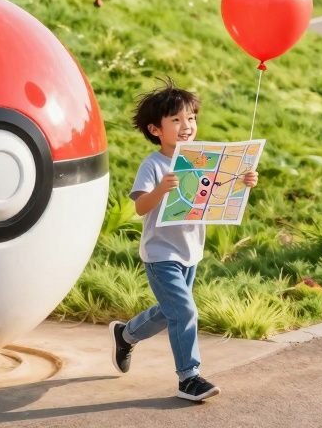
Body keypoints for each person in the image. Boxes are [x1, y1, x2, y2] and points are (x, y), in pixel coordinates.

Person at [108, 79, 258, 402]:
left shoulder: (200, 160)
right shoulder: (154, 165)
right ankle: (188, 377)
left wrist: (244, 181)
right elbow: (140, 206)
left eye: (190, 118)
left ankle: (126, 333)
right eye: (175, 120)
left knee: (170, 311)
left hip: (191, 251)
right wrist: (161, 189)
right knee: (184, 311)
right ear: (156, 129)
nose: (186, 126)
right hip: (161, 254)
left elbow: (216, 191)